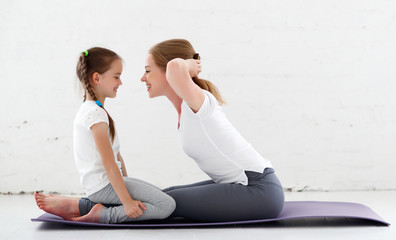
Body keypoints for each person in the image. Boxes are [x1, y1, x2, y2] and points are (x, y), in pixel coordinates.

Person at [35, 40, 284, 222]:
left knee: (167, 204)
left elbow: (176, 67)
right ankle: (82, 204)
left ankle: (84, 208)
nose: (143, 79)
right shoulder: (187, 109)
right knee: (164, 195)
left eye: (147, 70)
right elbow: (175, 70)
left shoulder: (201, 102)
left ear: (168, 71)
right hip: (242, 186)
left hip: (258, 191)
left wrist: (190, 64)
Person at [34, 47, 175, 224]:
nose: (121, 82)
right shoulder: (95, 115)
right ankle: (102, 215)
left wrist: (126, 185)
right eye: (116, 76)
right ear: (97, 78)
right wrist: (127, 202)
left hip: (102, 185)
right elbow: (109, 165)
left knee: (161, 196)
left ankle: (85, 206)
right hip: (103, 186)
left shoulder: (92, 110)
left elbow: (116, 157)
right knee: (166, 205)